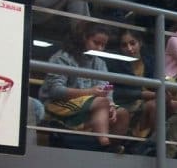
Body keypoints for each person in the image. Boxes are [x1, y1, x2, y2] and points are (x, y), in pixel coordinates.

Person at [38, 23, 129, 151]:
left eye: (103, 45)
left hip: (93, 103)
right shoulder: (62, 58)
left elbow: (106, 87)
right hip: (58, 103)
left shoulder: (100, 63)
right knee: (101, 102)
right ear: (84, 38)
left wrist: (112, 104)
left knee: (122, 113)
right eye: (96, 43)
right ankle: (104, 143)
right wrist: (90, 92)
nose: (100, 49)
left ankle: (111, 147)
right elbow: (55, 91)